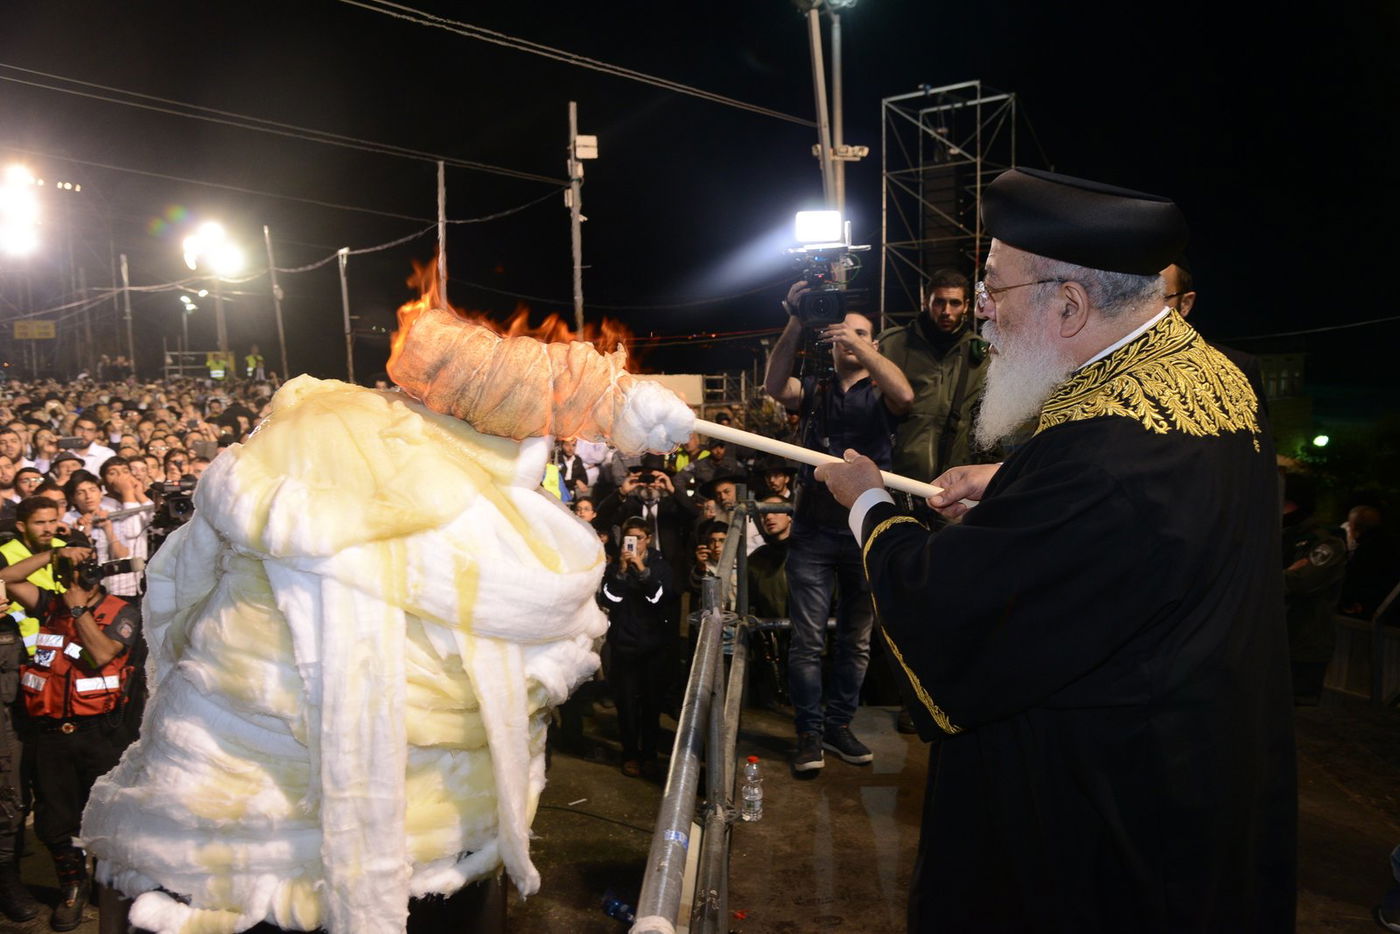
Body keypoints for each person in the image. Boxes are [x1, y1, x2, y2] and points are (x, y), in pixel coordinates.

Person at [813, 167, 1294, 930]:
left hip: (1107, 819)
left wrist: (868, 500)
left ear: (1069, 303)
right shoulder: (1215, 377)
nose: (980, 314)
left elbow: (948, 610)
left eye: (995, 291)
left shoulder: (1102, 454)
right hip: (1207, 773)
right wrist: (1014, 479)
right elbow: (1159, 502)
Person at [763, 285, 913, 773]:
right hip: (812, 529)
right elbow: (773, 387)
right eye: (841, 335)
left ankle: (838, 725)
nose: (848, 342)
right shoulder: (817, 389)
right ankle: (808, 734)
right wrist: (794, 320)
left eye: (862, 334)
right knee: (807, 639)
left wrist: (862, 343)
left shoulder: (880, 391)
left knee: (857, 639)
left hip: (864, 530)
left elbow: (906, 395)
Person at [3, 533, 140, 931]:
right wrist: (52, 555)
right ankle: (72, 889)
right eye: (76, 566)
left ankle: (108, 886)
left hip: (101, 733)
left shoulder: (122, 611)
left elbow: (101, 654)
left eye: (88, 564)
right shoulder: (49, 606)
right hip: (50, 735)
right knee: (56, 819)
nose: (83, 573)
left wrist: (79, 609)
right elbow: (7, 578)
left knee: (109, 818)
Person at [878, 268, 992, 499]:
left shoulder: (980, 355)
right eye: (939, 302)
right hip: (896, 478)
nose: (946, 311)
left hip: (955, 483)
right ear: (925, 301)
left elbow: (985, 420)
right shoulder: (892, 345)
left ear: (967, 305)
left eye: (954, 303)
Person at [597, 518, 673, 778]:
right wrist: (619, 572)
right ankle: (630, 754)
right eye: (630, 538)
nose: (634, 543)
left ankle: (649, 755)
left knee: (651, 705)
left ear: (648, 539)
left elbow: (658, 600)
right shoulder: (615, 569)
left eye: (639, 538)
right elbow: (608, 600)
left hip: (653, 646)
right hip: (623, 644)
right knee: (626, 704)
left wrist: (643, 572)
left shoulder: (660, 566)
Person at [1281, 471, 1347, 705]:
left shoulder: (1325, 541)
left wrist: (1273, 576)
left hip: (1301, 648)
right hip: (1271, 642)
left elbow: (1301, 582)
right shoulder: (1276, 534)